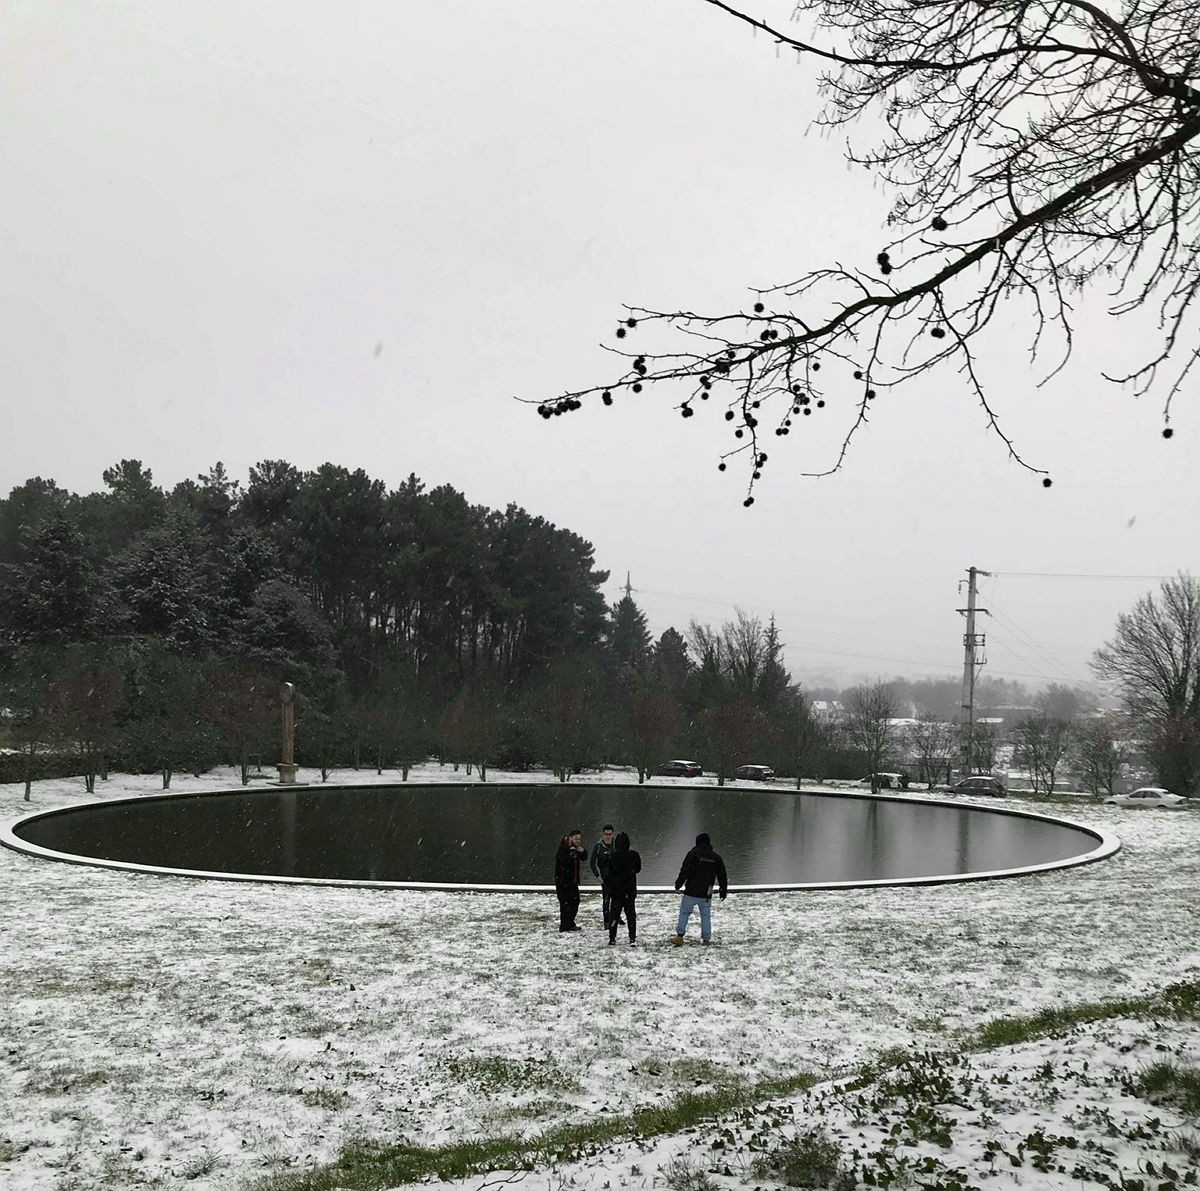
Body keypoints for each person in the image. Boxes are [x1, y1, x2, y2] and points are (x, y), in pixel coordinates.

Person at [671, 832, 728, 946]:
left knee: (684, 912)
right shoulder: (716, 857)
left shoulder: (693, 854)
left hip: (691, 889)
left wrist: (678, 884)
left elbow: (685, 870)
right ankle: (706, 939)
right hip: (707, 891)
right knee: (705, 915)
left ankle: (680, 936)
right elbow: (722, 875)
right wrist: (723, 890)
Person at [606, 831, 641, 945]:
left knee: (614, 915)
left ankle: (612, 938)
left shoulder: (612, 856)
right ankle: (632, 938)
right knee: (631, 915)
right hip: (629, 890)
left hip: (616, 891)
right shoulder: (634, 855)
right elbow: (638, 869)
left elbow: (609, 873)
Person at [554, 829, 588, 932]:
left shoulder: (576, 848)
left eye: (579, 839)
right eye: (576, 839)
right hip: (563, 882)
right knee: (565, 904)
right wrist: (572, 852)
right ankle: (564, 926)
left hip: (573, 881)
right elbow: (565, 862)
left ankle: (570, 922)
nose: (578, 841)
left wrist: (582, 851)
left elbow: (584, 858)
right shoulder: (563, 848)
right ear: (570, 838)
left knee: (575, 901)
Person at [590, 824, 619, 928]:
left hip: (616, 877)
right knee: (606, 900)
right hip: (604, 877)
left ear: (612, 834)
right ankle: (607, 921)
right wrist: (597, 876)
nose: (608, 836)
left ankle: (616, 918)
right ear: (603, 834)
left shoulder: (616, 844)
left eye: (610, 834)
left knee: (617, 899)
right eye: (606, 834)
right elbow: (592, 863)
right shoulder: (598, 846)